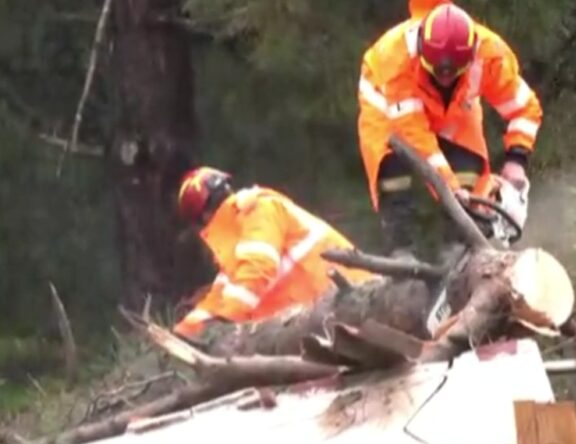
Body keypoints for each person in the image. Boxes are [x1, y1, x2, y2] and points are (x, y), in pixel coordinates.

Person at [357, 0, 543, 258]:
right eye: (437, 72)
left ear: (470, 57)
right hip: (389, 109)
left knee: (469, 170)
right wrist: (451, 188)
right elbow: (417, 141)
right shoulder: (396, 62)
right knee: (394, 170)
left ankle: (458, 250)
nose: (444, 79)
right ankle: (401, 252)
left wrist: (517, 160)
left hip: (452, 110)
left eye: (452, 73)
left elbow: (525, 108)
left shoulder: (491, 55)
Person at [173, 166, 374, 339]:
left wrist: (226, 320)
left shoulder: (259, 211)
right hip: (324, 313)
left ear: (204, 217)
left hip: (352, 303)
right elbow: (220, 296)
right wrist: (184, 332)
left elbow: (257, 270)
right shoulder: (239, 239)